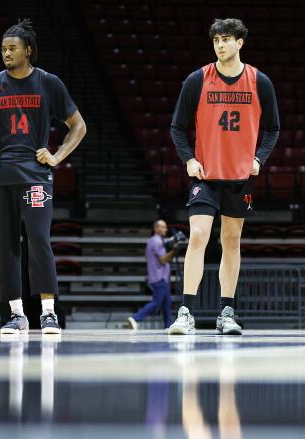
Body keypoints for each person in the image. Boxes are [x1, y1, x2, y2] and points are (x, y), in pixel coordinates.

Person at [0, 20, 87, 334]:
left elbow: (78, 126)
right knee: (4, 246)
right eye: (3, 49)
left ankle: (48, 313)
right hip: (1, 176)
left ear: (28, 50)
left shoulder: (49, 83)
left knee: (39, 241)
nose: (6, 53)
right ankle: (15, 314)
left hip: (36, 176)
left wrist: (57, 156)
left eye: (12, 48)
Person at [168, 18, 281, 335]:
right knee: (199, 236)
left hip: (239, 176)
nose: (220, 44)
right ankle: (185, 312)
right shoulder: (197, 79)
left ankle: (226, 313)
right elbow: (177, 127)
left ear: (240, 42)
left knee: (231, 242)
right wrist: (188, 158)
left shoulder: (259, 82)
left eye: (227, 39)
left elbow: (273, 128)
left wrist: (260, 158)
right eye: (216, 39)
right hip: (205, 175)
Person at [127, 220, 179, 330]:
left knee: (167, 302)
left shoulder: (152, 241)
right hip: (159, 277)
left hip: (158, 276)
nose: (166, 229)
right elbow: (163, 260)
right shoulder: (157, 242)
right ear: (156, 228)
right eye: (163, 227)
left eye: (165, 227)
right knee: (156, 302)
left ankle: (168, 325)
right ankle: (135, 318)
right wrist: (174, 250)